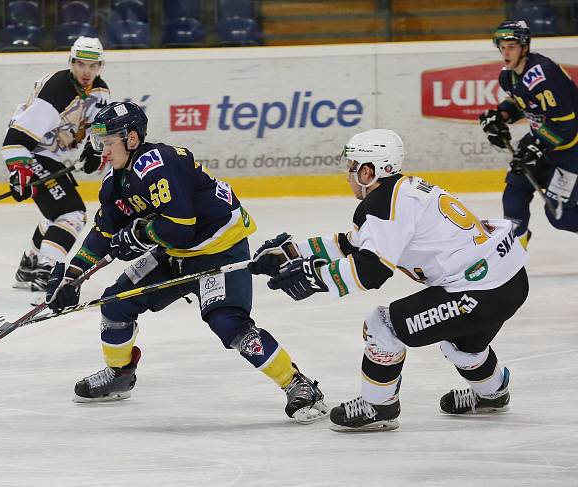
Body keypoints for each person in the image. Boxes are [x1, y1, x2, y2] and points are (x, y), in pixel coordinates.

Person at [44, 101, 329, 423]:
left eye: (108, 143)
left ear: (132, 139)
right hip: (175, 253)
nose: (103, 152)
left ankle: (297, 383)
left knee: (227, 323)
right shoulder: (116, 182)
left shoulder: (159, 162)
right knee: (114, 304)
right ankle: (120, 374)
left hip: (218, 250)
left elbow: (180, 227)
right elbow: (103, 231)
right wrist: (72, 276)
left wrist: (139, 235)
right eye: (100, 143)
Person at [249, 129, 529, 432]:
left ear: (369, 172)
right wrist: (290, 253)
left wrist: (315, 278)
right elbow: (353, 244)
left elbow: (372, 271)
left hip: (478, 291)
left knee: (382, 326)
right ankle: (493, 394)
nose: (348, 176)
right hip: (509, 280)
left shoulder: (385, 204)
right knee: (462, 346)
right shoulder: (402, 191)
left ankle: (379, 406)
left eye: (352, 168)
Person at [2, 36, 110, 291]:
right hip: (33, 153)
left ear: (100, 67)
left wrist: (93, 150)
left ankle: (29, 265)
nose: (87, 72)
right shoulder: (57, 90)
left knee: (56, 215)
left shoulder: (101, 90)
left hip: (52, 157)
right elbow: (15, 141)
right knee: (71, 215)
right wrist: (20, 171)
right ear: (71, 62)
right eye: (81, 64)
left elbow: (97, 128)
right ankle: (46, 270)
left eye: (93, 66)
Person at [478, 20, 578, 248]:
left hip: (571, 150)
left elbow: (566, 127)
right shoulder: (508, 76)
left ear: (524, 47)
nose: (505, 52)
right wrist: (501, 116)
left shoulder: (544, 75)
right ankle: (515, 250)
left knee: (560, 216)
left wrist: (537, 145)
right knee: (514, 191)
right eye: (502, 47)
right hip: (544, 142)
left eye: (511, 47)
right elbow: (522, 102)